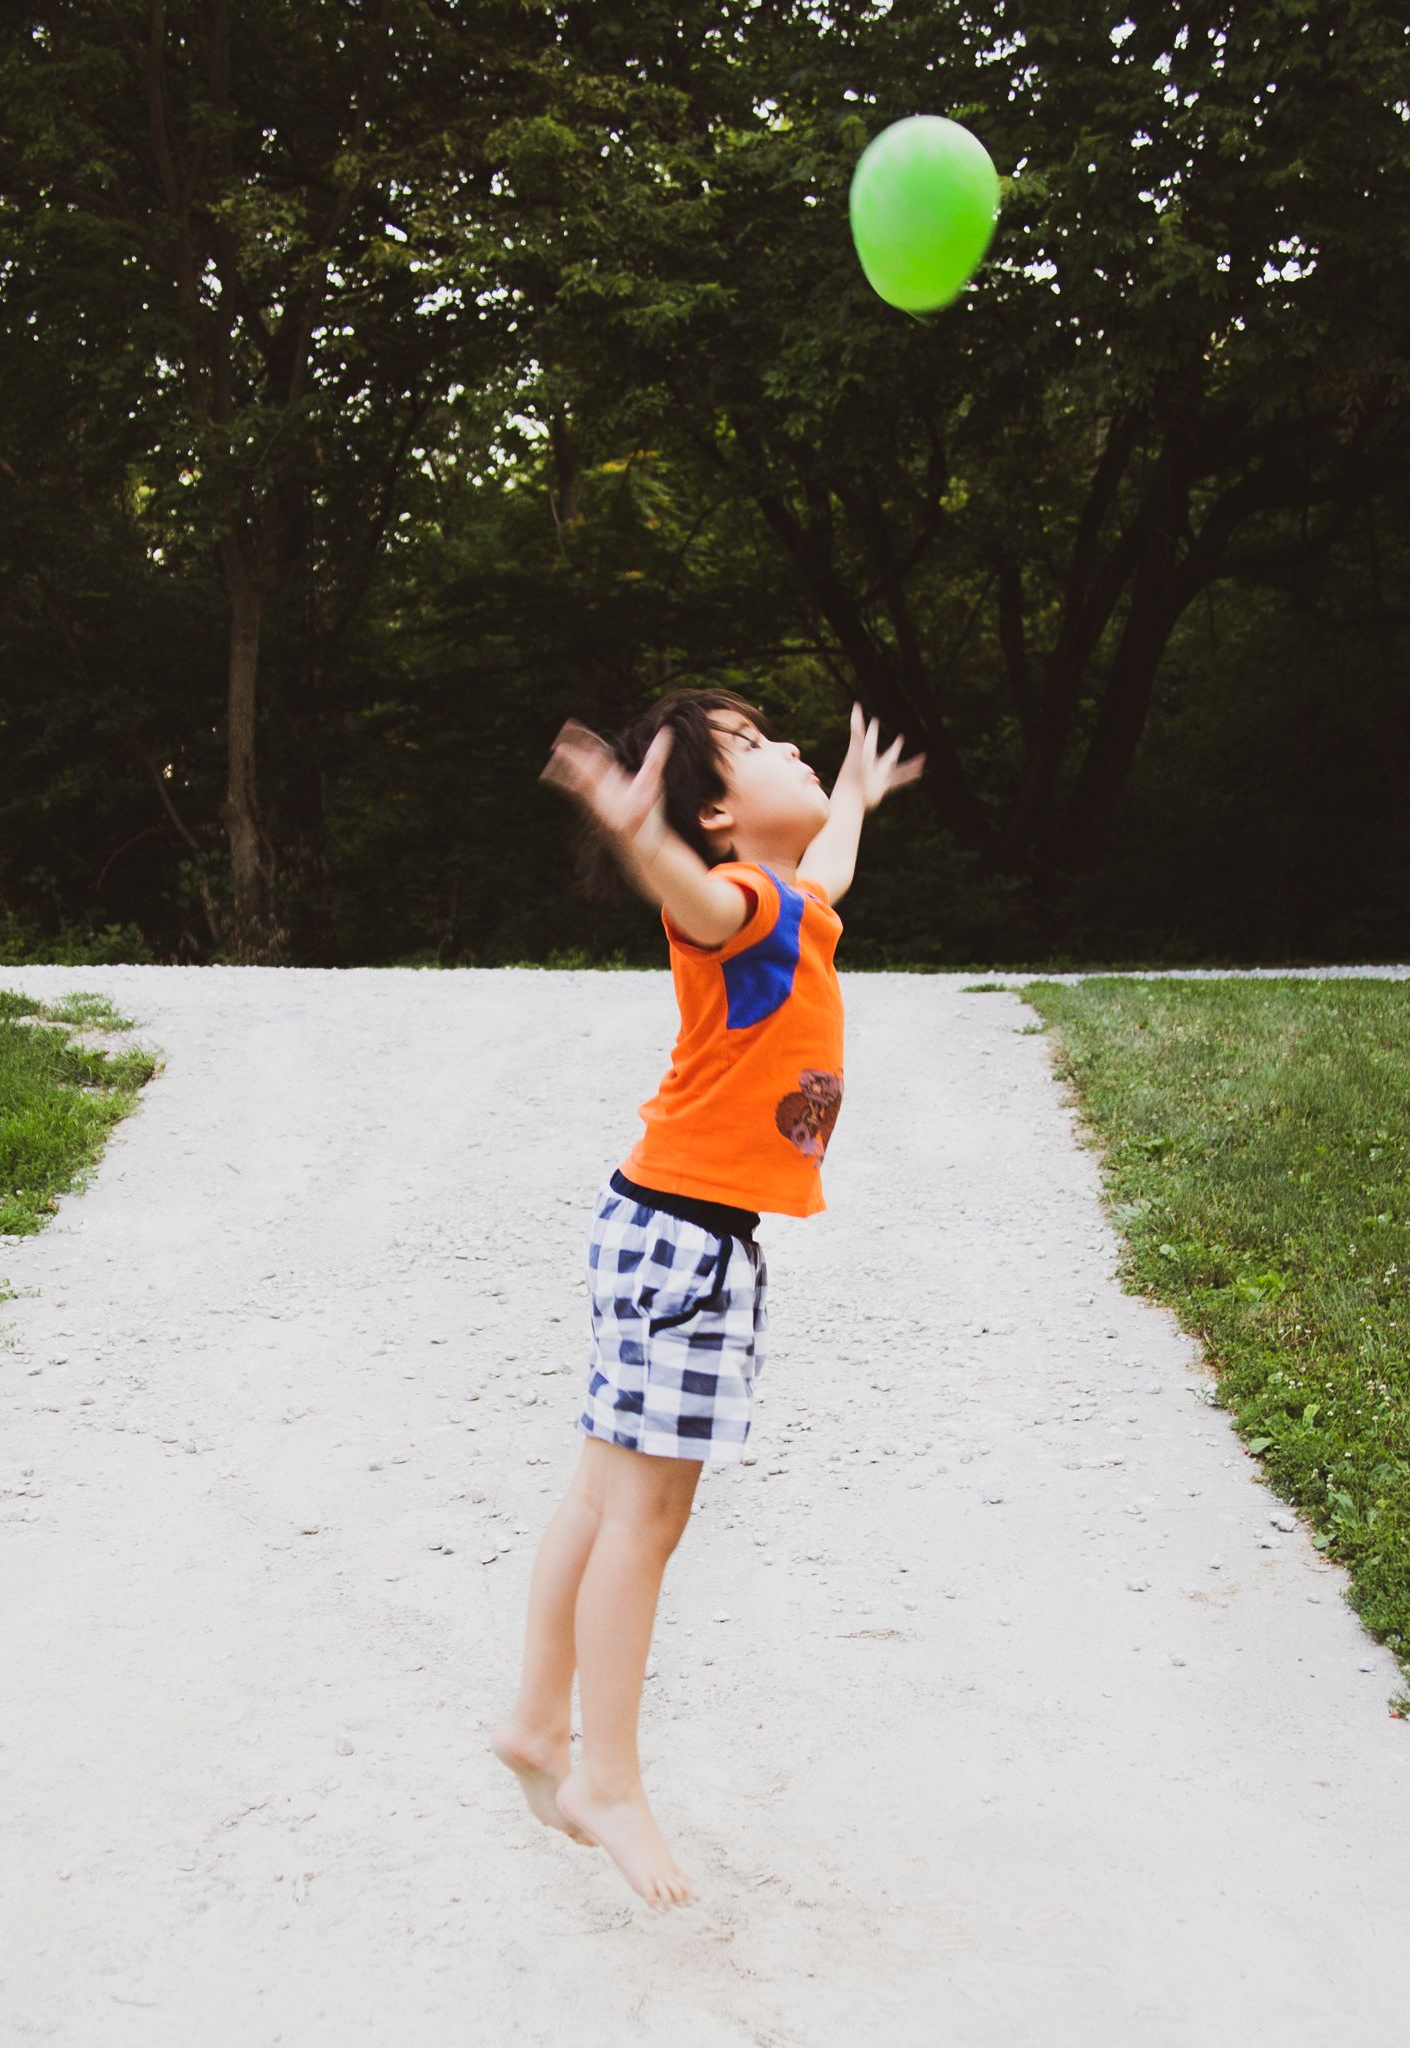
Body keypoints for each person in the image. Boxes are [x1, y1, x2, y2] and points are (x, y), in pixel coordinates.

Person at [491, 688, 925, 1909]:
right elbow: (689, 895)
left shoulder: (792, 897)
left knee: (601, 1490)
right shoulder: (730, 903)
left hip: (667, 1231)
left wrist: (850, 790)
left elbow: (825, 859)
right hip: (681, 1244)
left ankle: (536, 1716)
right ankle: (606, 1778)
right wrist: (638, 834)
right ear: (721, 813)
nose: (788, 743)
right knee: (646, 1518)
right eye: (756, 745)